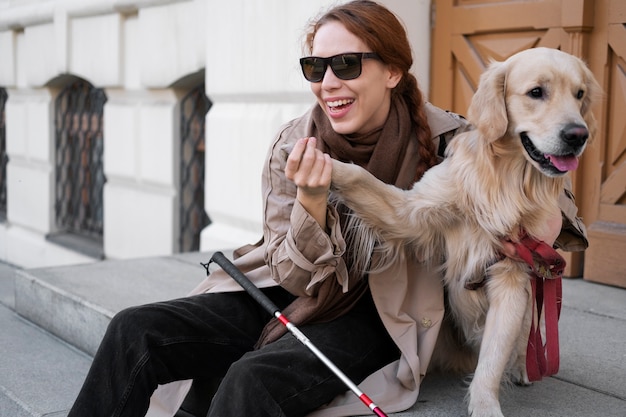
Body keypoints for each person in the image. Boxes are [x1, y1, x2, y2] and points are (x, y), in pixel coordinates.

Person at [68, 1, 586, 416]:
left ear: (393, 71)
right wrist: (311, 204)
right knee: (134, 328)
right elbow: (290, 273)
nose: (328, 83)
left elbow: (533, 170)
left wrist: (554, 219)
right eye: (316, 66)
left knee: (254, 379)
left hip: (382, 311)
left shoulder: (452, 135)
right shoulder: (291, 144)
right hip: (294, 289)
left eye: (346, 64)